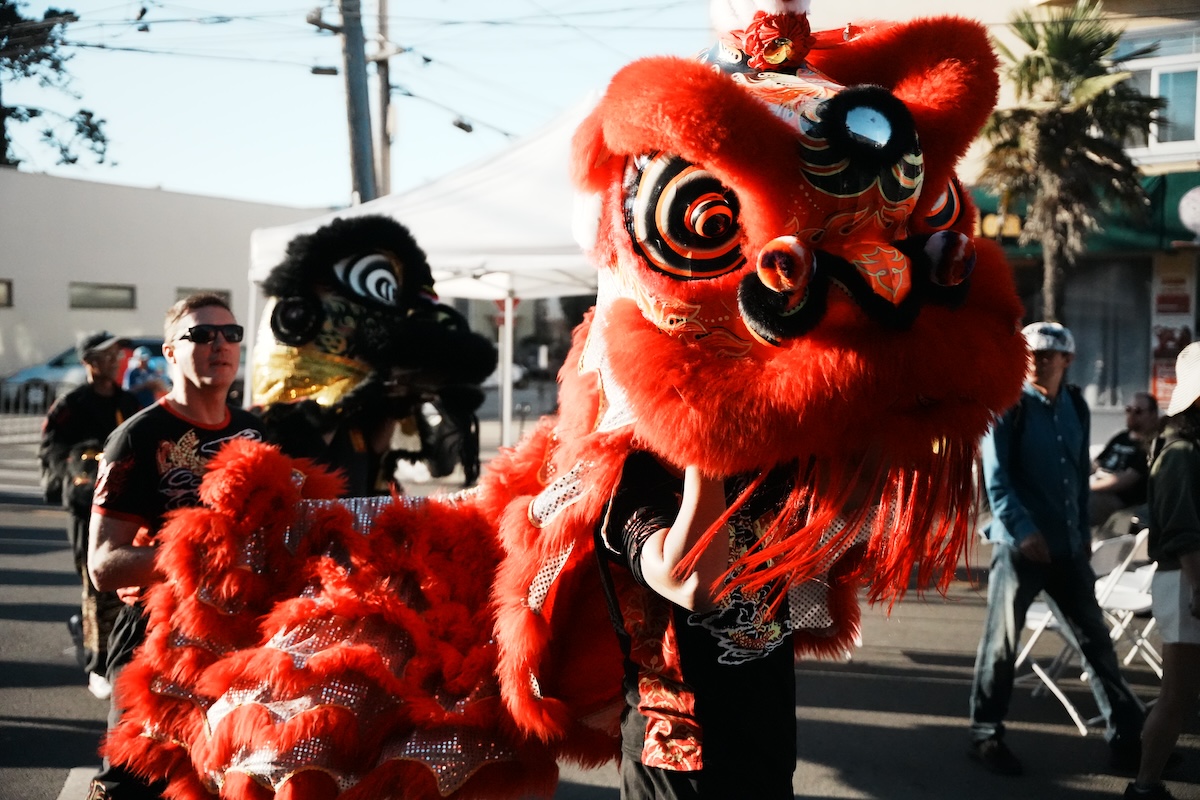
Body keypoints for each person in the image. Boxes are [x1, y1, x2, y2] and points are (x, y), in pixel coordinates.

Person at [86, 293, 264, 800]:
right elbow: (104, 565)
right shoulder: (137, 438)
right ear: (169, 352)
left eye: (230, 334)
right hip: (156, 642)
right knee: (136, 784)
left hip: (237, 639)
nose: (219, 345)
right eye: (201, 335)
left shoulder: (256, 432)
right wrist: (200, 561)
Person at [970, 321, 1145, 775]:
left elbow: (1079, 480)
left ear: (1067, 360)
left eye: (1049, 355)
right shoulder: (1007, 406)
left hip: (1066, 547)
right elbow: (997, 481)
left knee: (1096, 642)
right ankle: (986, 734)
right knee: (1001, 645)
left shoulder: (1075, 405)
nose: (1038, 361)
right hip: (1019, 549)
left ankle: (1129, 738)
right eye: (1031, 354)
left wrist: (1082, 532)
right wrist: (1024, 531)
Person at [599, 452, 802, 799]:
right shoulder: (632, 477)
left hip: (767, 744)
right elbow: (694, 584)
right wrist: (705, 441)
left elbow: (857, 488)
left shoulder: (760, 462)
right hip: (676, 761)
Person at [38, 331, 141, 700]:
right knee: (94, 581)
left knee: (123, 586)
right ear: (89, 362)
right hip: (85, 507)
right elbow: (51, 449)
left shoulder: (129, 402)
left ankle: (108, 651)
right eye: (105, 354)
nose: (114, 359)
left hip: (125, 507)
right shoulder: (72, 404)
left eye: (117, 353)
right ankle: (97, 664)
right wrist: (80, 463)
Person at [1125, 343, 1200, 800]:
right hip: (1187, 581)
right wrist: (1199, 585)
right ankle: (1145, 784)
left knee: (1180, 696)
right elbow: (1183, 532)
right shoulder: (1180, 452)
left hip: (1189, 580)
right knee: (1177, 696)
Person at [1090, 392, 1159, 529]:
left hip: (1122, 500)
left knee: (1082, 504)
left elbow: (1126, 479)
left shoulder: (1151, 444)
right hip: (1098, 486)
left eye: (1138, 411)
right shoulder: (1121, 437)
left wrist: (1087, 488)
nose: (1131, 415)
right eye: (1129, 410)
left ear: (1152, 414)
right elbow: (1096, 463)